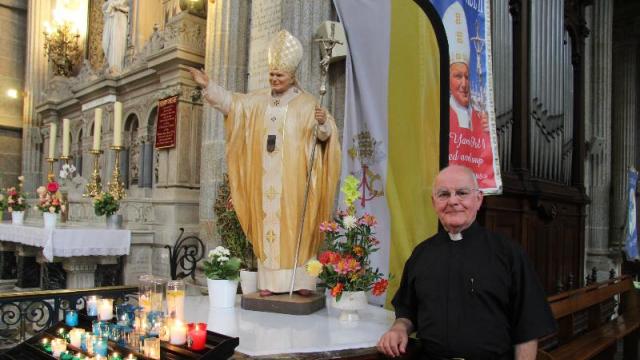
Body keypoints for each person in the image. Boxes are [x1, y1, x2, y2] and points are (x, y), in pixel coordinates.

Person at [189, 30, 342, 296]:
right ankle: (270, 283)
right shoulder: (257, 101)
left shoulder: (308, 104)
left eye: (279, 75)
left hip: (296, 180)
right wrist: (208, 86)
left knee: (297, 228)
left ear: (292, 76)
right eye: (271, 74)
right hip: (265, 178)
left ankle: (302, 283)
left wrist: (322, 123)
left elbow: (324, 136)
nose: (274, 79)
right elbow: (232, 104)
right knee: (269, 229)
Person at [377, 165, 556, 359]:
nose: (453, 201)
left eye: (462, 193)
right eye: (443, 194)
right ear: (433, 202)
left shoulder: (509, 253)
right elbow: (407, 311)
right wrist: (399, 328)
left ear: (478, 199)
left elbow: (527, 327)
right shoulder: (421, 254)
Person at [102, 0, 129, 74]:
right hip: (111, 22)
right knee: (109, 43)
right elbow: (105, 9)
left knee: (117, 43)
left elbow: (129, 8)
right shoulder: (108, 3)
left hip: (120, 21)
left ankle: (116, 66)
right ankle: (112, 65)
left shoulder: (123, 2)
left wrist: (118, 7)